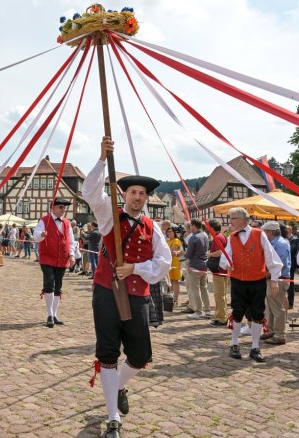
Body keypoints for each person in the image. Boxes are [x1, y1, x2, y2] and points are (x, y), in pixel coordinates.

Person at [81, 137, 171, 438]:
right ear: (124, 194)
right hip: (107, 292)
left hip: (137, 295)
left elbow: (163, 262)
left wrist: (136, 268)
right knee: (108, 352)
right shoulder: (108, 216)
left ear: (146, 198)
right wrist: (102, 159)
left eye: (142, 193)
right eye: (133, 192)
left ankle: (118, 386)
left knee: (140, 355)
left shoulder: (152, 227)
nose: (137, 197)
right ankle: (113, 417)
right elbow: (90, 191)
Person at [219, 207, 283, 363]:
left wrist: (274, 279)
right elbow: (225, 257)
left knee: (257, 313)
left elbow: (271, 257)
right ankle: (234, 344)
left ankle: (255, 347)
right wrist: (227, 264)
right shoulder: (231, 237)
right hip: (238, 280)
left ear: (242, 219)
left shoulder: (259, 234)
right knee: (237, 311)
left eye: (233, 218)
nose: (230, 221)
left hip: (257, 280)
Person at [34, 199, 77, 328]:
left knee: (58, 286)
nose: (63, 210)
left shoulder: (67, 223)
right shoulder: (44, 220)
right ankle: (49, 314)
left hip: (62, 259)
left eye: (64, 207)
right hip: (47, 258)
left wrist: (72, 255)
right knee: (49, 283)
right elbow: (35, 236)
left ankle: (54, 314)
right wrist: (42, 234)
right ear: (52, 208)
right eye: (60, 207)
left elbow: (71, 241)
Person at [259, 221, 291, 346]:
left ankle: (280, 335)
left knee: (277, 308)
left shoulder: (280, 244)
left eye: (264, 232)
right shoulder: (274, 243)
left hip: (278, 279)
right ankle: (271, 330)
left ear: (270, 232)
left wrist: (263, 274)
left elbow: (279, 265)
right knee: (270, 307)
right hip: (272, 278)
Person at [184, 219, 211, 319]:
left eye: (191, 226)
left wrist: (182, 253)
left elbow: (188, 254)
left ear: (193, 226)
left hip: (194, 266)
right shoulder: (205, 235)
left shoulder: (193, 237)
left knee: (195, 289)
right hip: (204, 265)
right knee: (204, 288)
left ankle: (198, 311)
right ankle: (207, 310)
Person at [206, 219, 229, 327]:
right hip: (221, 270)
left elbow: (220, 252)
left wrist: (209, 254)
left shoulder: (218, 237)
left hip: (219, 270)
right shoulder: (221, 236)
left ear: (212, 228)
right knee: (220, 295)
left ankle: (221, 318)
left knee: (219, 295)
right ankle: (221, 315)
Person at [165, 227, 183, 309]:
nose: (168, 233)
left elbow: (171, 251)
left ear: (174, 232)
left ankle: (175, 300)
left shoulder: (176, 240)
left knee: (175, 281)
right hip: (168, 263)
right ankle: (171, 300)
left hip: (174, 263)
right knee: (170, 282)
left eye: (170, 231)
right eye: (167, 232)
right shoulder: (168, 241)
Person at [286, 224, 299, 309]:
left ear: (290, 231)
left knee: (290, 284)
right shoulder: (284, 239)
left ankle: (290, 303)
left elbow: (291, 250)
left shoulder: (294, 239)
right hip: (285, 264)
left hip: (291, 265)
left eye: (286, 230)